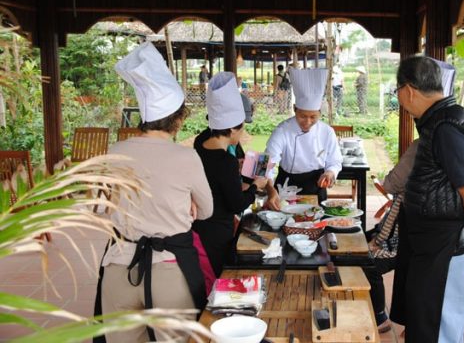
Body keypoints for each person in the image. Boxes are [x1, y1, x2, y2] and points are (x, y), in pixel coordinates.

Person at [95, 42, 214, 343]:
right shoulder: (185, 157)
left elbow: (98, 210)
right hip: (169, 272)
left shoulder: (114, 151)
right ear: (178, 119)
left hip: (118, 270)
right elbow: (208, 210)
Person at [389, 56, 464, 342]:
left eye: (397, 90)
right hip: (435, 246)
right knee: (426, 324)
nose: (399, 97)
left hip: (446, 247)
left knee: (437, 330)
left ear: (409, 90)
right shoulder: (444, 120)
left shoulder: (446, 129)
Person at [192, 72, 270, 278]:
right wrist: (256, 187)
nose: (243, 134)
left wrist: (236, 166)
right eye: (242, 128)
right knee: (216, 278)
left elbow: (215, 175)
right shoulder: (225, 161)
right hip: (217, 231)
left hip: (198, 227)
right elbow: (236, 204)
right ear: (233, 129)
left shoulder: (200, 142)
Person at [364, 139, 418, 334]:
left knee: (369, 264)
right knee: (358, 241)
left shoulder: (421, 146)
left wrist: (378, 242)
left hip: (405, 241)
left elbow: (390, 184)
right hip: (406, 235)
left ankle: (380, 317)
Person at [266, 68, 343, 203]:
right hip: (286, 188)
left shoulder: (327, 132)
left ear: (320, 112)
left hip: (316, 186)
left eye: (313, 117)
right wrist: (270, 190)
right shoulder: (282, 130)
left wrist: (330, 173)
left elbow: (335, 161)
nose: (307, 122)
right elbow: (268, 163)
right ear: (295, 109)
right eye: (302, 116)